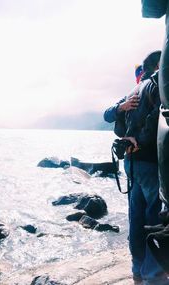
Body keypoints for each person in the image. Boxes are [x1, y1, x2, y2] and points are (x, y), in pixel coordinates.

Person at [120, 50, 167, 284]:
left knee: (136, 218)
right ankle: (154, 277)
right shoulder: (159, 83)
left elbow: (120, 125)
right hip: (149, 160)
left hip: (131, 163)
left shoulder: (133, 90)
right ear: (159, 64)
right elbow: (156, 116)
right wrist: (145, 139)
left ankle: (138, 272)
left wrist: (130, 139)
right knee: (155, 219)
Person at [142, 0, 169, 276]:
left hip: (141, 161)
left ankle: (146, 274)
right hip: (146, 161)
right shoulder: (151, 88)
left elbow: (150, 7)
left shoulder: (142, 89)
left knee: (146, 216)